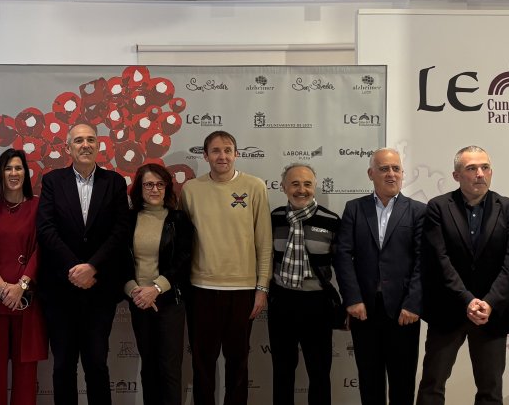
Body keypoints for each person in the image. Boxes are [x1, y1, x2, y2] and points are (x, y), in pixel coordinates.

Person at [416, 145, 509, 405]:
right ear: (456, 175)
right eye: (471, 168)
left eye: (485, 167)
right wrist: (467, 300)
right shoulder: (438, 207)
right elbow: (438, 260)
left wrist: (488, 302)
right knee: (432, 385)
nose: (480, 173)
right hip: (448, 310)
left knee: (490, 391)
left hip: (492, 313)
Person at [35, 123, 133, 405]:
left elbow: (120, 230)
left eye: (91, 139)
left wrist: (92, 267)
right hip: (60, 291)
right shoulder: (53, 181)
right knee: (63, 366)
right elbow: (46, 229)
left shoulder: (114, 182)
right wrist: (74, 268)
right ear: (69, 148)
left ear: (99, 145)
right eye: (79, 140)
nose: (85, 144)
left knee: (97, 365)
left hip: (99, 290)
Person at [178, 130, 272, 405]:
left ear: (236, 154)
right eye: (216, 151)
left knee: (238, 364)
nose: (223, 156)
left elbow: (264, 242)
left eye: (228, 150)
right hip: (202, 289)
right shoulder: (191, 190)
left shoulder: (255, 186)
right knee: (202, 364)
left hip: (242, 290)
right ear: (205, 156)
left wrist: (261, 288)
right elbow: (184, 243)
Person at [333, 148, 425, 405]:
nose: (391, 174)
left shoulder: (418, 210)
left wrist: (413, 303)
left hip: (403, 313)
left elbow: (423, 261)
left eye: (396, 168)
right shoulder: (354, 208)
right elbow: (343, 255)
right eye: (384, 168)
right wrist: (352, 299)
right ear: (371, 173)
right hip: (365, 310)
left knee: (403, 383)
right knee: (369, 382)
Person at [0, 149, 48, 405]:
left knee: (26, 373)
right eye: (8, 168)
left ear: (26, 173)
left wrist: (21, 286)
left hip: (27, 300)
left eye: (18, 168)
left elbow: (42, 249)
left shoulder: (39, 206)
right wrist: (1, 286)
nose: (14, 173)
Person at [267, 163, 341, 405]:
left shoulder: (331, 221)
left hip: (317, 306)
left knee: (319, 374)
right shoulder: (275, 218)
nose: (302, 190)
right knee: (282, 372)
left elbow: (343, 267)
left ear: (315, 187)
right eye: (295, 184)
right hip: (282, 303)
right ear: (283, 187)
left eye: (307, 184)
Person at [124, 163, 194, 405]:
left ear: (167, 187)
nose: (154, 189)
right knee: (149, 366)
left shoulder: (178, 219)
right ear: (139, 188)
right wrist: (135, 290)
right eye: (148, 184)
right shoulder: (128, 219)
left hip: (169, 301)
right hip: (138, 301)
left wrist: (155, 289)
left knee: (169, 368)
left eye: (159, 184)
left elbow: (184, 259)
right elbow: (119, 261)